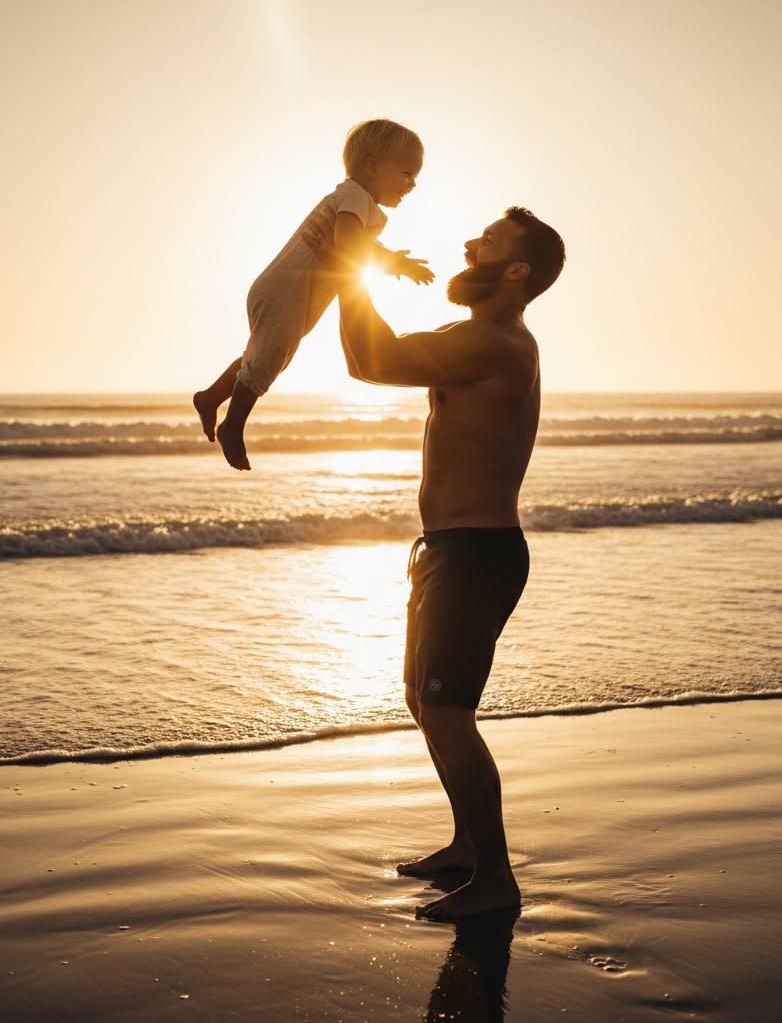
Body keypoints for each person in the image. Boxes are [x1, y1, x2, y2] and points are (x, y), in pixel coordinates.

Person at [308, 203, 566, 921]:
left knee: (448, 712)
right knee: (426, 703)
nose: (470, 243)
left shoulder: (499, 344)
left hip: (476, 555)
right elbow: (376, 355)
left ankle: (497, 881)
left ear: (516, 270)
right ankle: (466, 847)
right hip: (448, 551)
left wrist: (350, 266)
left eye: (489, 241)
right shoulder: (474, 336)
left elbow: (371, 361)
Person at [193, 118, 432, 471]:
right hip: (287, 290)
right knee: (268, 360)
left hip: (287, 291)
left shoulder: (358, 202)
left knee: (264, 357)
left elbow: (354, 245)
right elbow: (347, 244)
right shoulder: (355, 197)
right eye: (408, 173)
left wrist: (394, 263)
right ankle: (233, 427)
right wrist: (394, 262)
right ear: (372, 168)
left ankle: (211, 396)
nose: (413, 184)